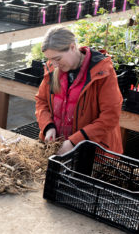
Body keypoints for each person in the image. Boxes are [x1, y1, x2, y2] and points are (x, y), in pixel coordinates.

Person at [35, 26, 123, 155]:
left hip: (93, 154)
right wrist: (48, 127)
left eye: (58, 59)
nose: (54, 64)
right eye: (50, 59)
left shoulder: (102, 72)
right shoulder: (53, 70)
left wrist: (74, 141)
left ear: (72, 47)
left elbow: (110, 117)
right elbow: (41, 101)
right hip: (58, 149)